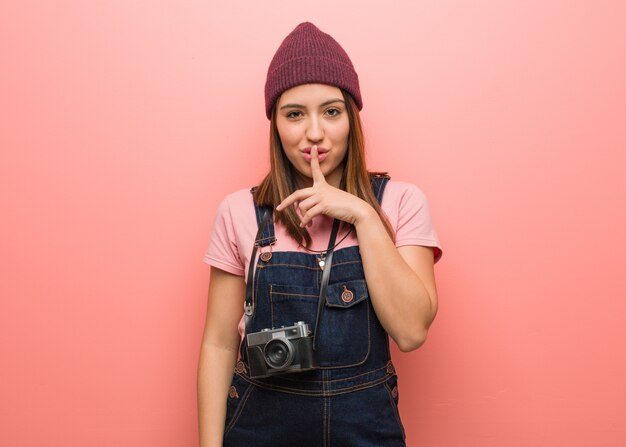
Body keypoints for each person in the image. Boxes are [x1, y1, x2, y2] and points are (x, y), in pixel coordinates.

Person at [197, 22, 442, 447]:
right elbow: (219, 345)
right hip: (258, 430)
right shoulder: (239, 211)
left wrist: (364, 217)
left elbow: (411, 332)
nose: (314, 133)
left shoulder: (401, 202)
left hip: (367, 432)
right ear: (275, 124)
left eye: (331, 111)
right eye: (295, 114)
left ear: (351, 117)